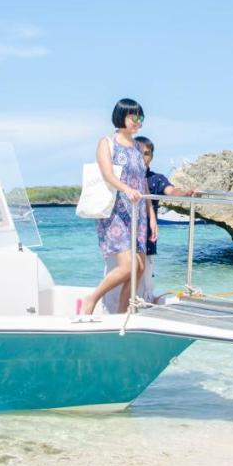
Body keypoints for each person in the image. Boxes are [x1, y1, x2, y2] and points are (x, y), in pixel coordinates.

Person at [81, 99, 157, 315]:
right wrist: (126, 189)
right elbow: (107, 174)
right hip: (116, 211)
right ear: (121, 116)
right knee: (127, 267)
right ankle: (92, 298)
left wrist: (151, 216)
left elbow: (143, 183)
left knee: (139, 269)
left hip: (138, 213)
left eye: (140, 117)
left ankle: (122, 314)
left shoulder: (137, 147)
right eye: (133, 117)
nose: (138, 121)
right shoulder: (107, 142)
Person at [135, 136, 196, 302]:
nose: (143, 157)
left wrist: (185, 193)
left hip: (147, 233)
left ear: (152, 156)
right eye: (139, 153)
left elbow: (171, 191)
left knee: (146, 270)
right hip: (128, 231)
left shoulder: (156, 179)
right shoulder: (126, 178)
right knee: (131, 268)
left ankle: (144, 301)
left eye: (147, 153)